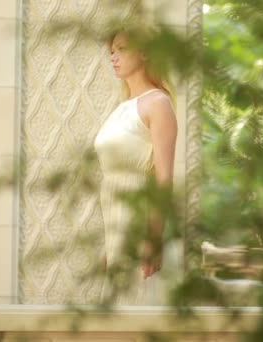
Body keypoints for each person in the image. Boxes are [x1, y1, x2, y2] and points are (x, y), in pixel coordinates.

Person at [94, 28, 177, 305]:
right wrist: (112, 246)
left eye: (121, 49)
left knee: (134, 309)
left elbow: (164, 179)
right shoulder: (122, 108)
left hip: (139, 223)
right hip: (117, 224)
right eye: (111, 52)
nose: (114, 57)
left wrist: (154, 239)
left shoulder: (158, 104)